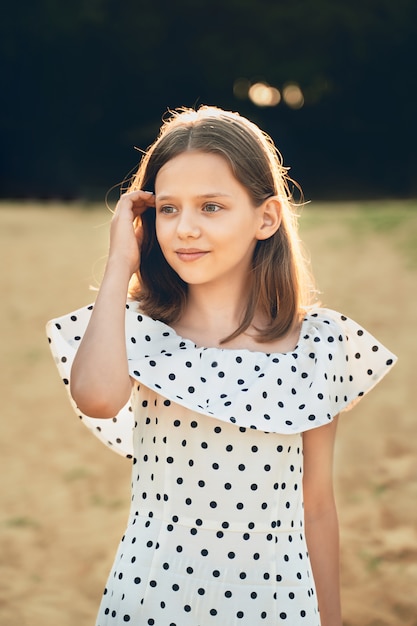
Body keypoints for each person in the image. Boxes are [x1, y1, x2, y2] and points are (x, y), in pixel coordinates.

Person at [46, 105, 397, 626]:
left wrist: (332, 619)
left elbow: (317, 505)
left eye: (211, 206)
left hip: (277, 606)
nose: (185, 228)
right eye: (168, 209)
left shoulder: (320, 342)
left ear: (266, 218)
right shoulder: (133, 330)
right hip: (148, 601)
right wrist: (121, 261)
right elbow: (96, 397)